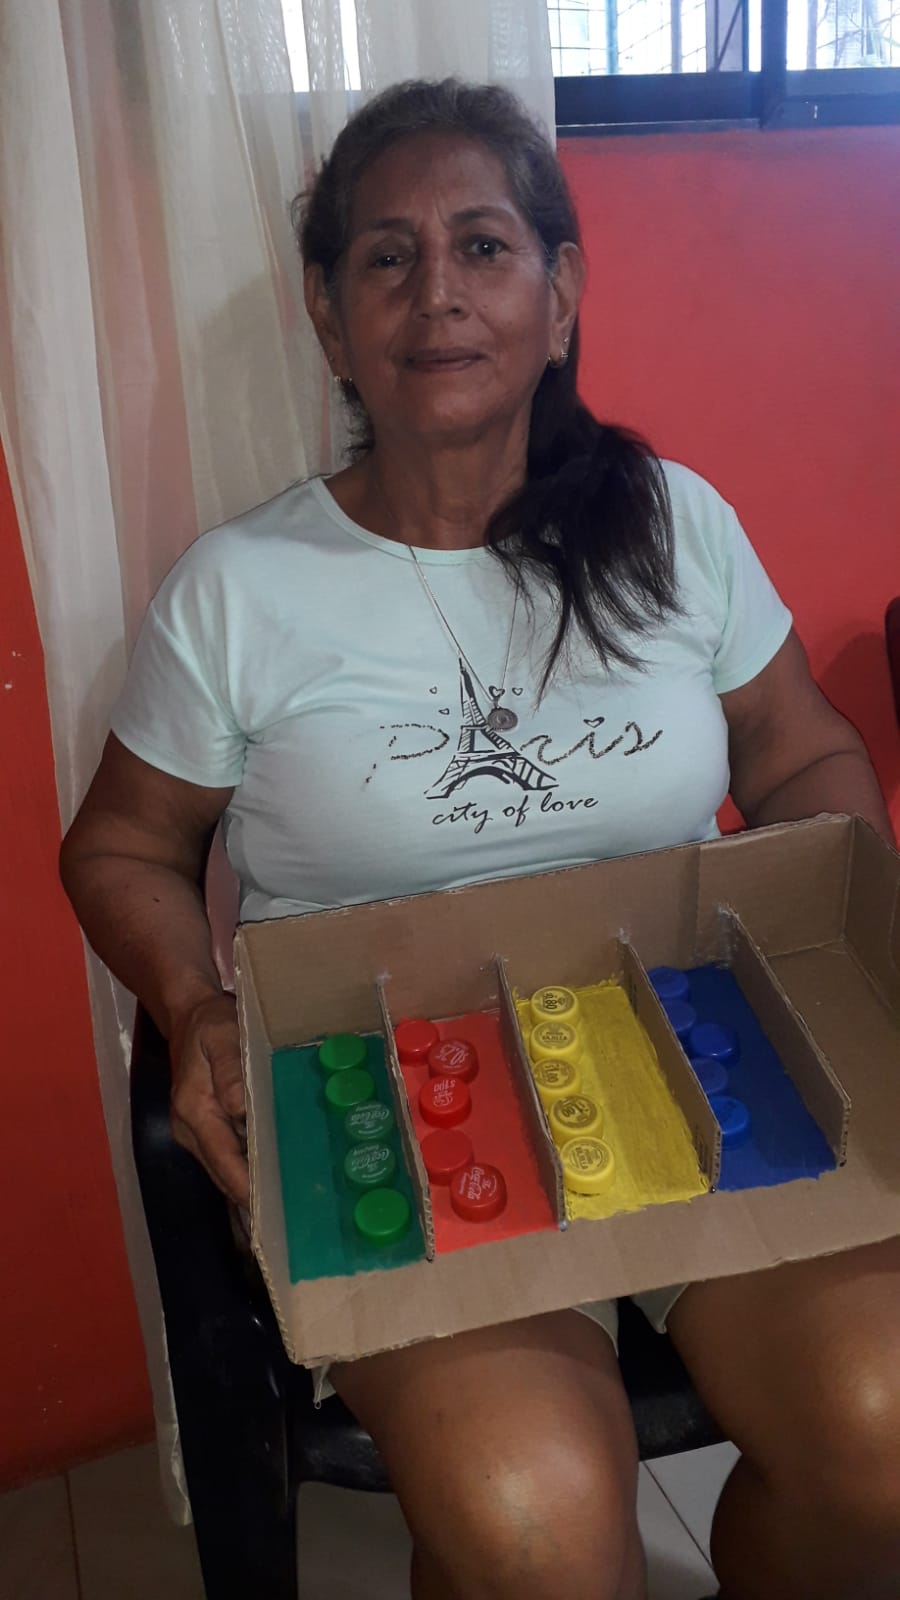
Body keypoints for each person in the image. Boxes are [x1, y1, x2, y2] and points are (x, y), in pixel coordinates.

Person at [60, 78, 900, 1600]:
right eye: (386, 257)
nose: (437, 292)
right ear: (329, 318)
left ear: (560, 294)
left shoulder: (674, 524)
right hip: (404, 1102)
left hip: (700, 1047)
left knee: (888, 1428)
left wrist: (840, 930)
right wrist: (190, 1004)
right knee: (536, 1521)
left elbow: (801, 753)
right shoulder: (240, 591)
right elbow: (121, 847)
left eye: (484, 246)